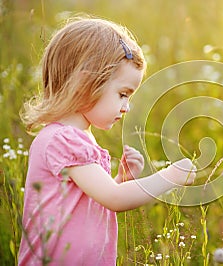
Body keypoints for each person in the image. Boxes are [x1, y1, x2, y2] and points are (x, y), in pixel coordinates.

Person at [18, 17, 196, 265]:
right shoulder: (62, 139)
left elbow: (89, 199)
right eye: (123, 94)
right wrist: (170, 176)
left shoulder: (78, 137)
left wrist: (120, 180)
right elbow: (114, 199)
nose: (127, 107)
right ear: (84, 83)